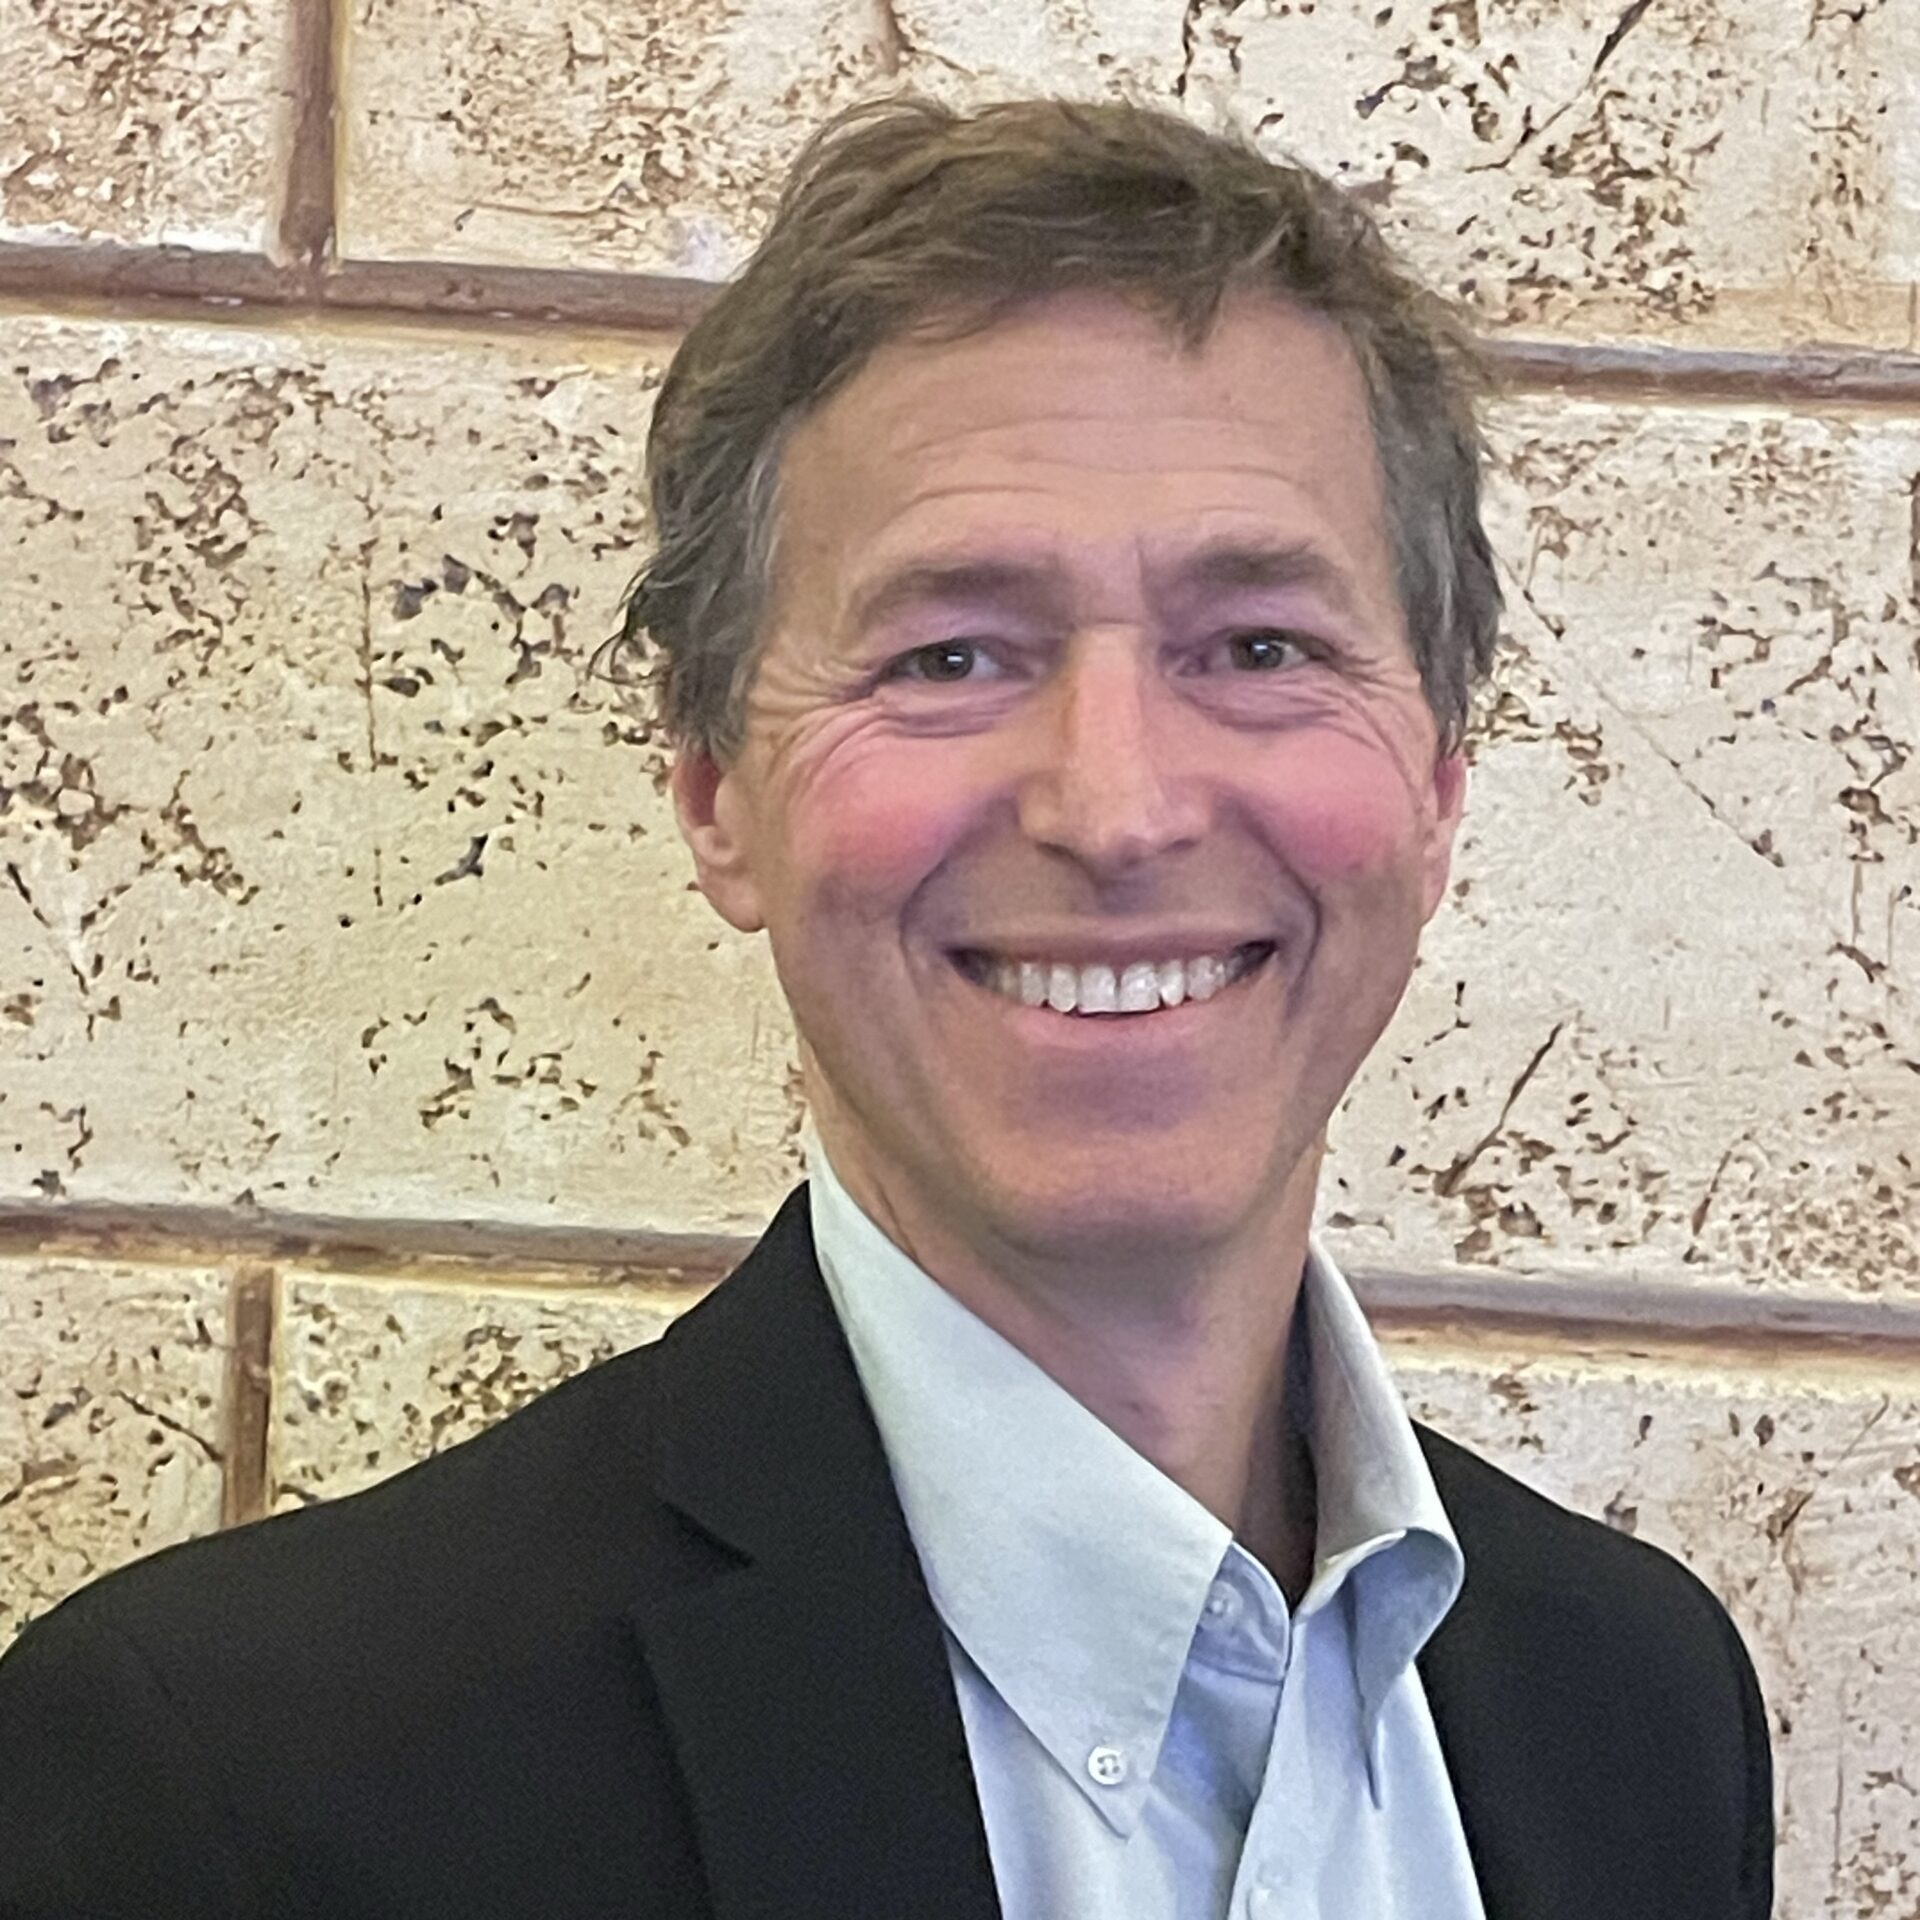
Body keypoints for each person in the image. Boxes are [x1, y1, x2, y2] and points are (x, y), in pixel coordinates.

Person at [0, 97, 1771, 1920]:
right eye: (949, 655)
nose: (1117, 808)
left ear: (1439, 787)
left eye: (1261, 646)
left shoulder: (1637, 1707)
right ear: (717, 795)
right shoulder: (237, 1783)